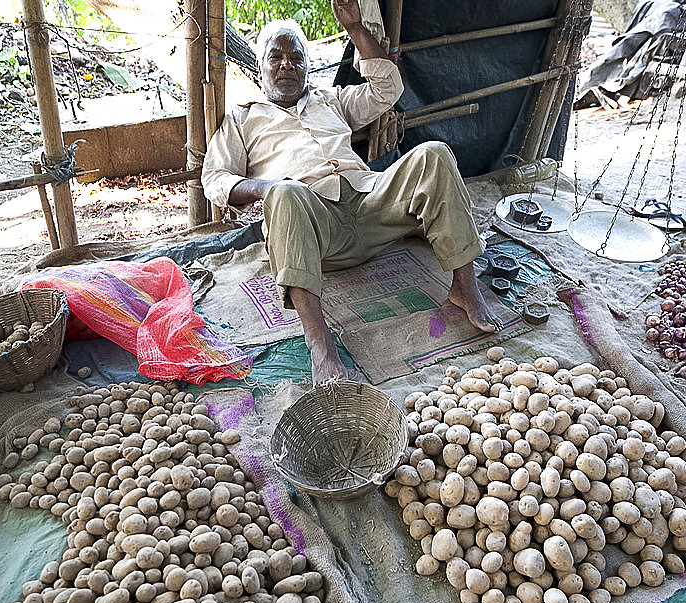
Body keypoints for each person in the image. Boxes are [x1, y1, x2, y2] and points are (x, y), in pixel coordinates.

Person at [201, 0, 501, 383]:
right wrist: (267, 187)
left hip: (372, 206)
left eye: (296, 57)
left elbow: (388, 88)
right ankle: (320, 344)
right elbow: (216, 179)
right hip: (315, 230)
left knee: (434, 155)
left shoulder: (331, 99)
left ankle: (464, 288)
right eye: (275, 57)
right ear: (260, 67)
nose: (287, 64)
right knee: (286, 193)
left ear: (308, 68)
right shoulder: (243, 118)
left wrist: (357, 30)